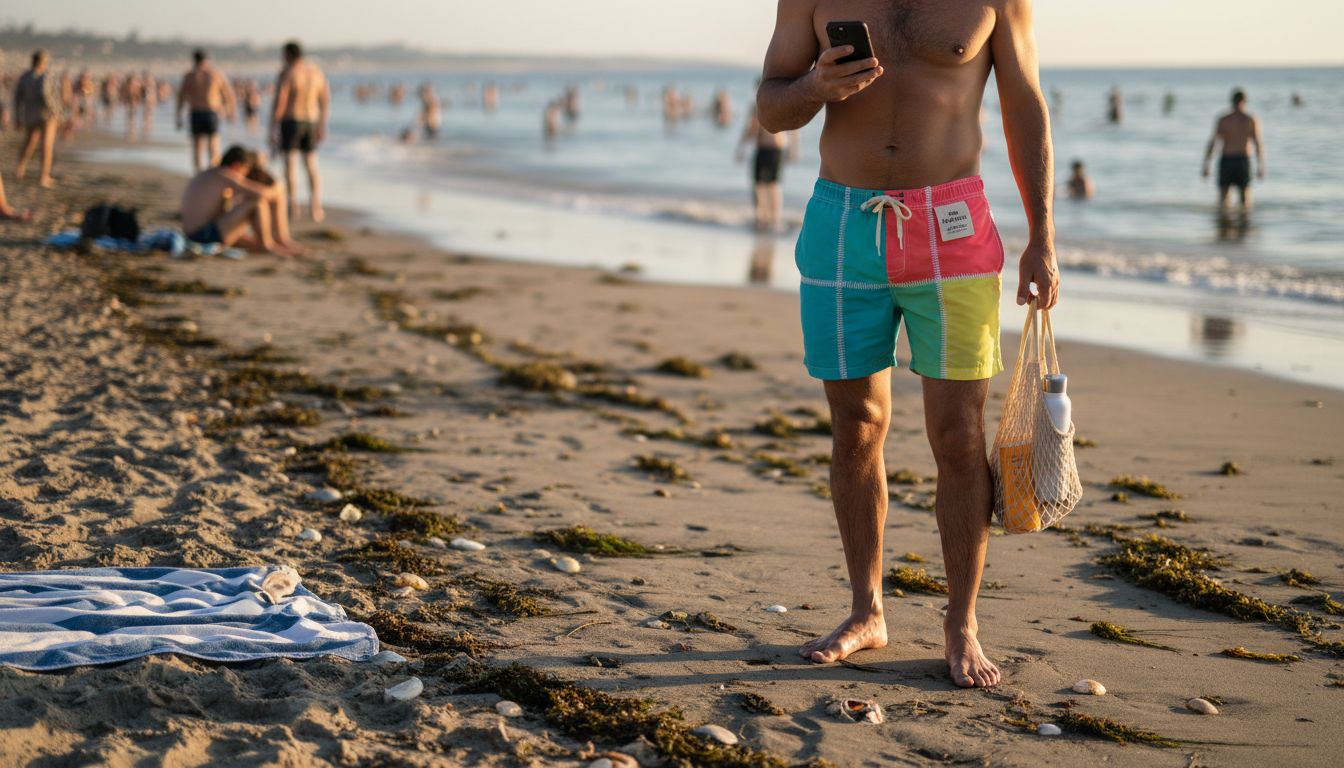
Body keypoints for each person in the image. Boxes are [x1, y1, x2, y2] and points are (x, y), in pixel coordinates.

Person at [757, 0, 1058, 689]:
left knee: (957, 435)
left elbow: (1025, 106)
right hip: (842, 223)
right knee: (856, 428)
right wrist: (813, 88)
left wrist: (1042, 235)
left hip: (952, 228)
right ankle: (867, 612)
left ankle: (961, 624)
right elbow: (772, 108)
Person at [181, 145, 305, 257]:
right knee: (257, 202)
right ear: (237, 165)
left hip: (197, 233)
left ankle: (277, 242)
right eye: (246, 169)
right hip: (204, 235)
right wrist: (278, 188)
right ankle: (270, 244)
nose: (245, 174)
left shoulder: (212, 174)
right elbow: (261, 194)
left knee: (254, 243)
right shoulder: (226, 174)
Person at [270, 41, 330, 222]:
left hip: (291, 121)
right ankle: (316, 206)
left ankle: (293, 205)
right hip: (311, 121)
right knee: (311, 165)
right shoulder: (316, 72)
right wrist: (322, 125)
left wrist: (272, 127)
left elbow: (280, 101)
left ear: (288, 55)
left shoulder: (287, 73)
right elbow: (325, 101)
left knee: (290, 165)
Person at [1202, 88, 1265, 213]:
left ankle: (1231, 225)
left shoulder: (1225, 119)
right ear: (1245, 101)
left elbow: (1213, 142)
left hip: (1232, 160)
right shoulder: (1249, 119)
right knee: (1233, 199)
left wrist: (1206, 164)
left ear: (1232, 101)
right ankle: (1238, 225)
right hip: (1237, 160)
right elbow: (1258, 144)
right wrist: (1261, 166)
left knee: (1237, 199)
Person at [735, 105, 797, 231]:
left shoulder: (781, 101)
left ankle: (774, 219)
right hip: (761, 148)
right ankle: (761, 218)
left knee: (773, 185)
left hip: (776, 149)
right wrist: (741, 146)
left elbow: (793, 127)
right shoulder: (756, 107)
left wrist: (793, 149)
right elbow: (750, 128)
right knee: (759, 185)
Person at [177, 49, 237, 172]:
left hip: (196, 113)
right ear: (206, 60)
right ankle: (213, 175)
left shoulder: (189, 76)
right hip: (211, 113)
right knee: (213, 147)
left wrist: (178, 116)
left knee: (198, 148)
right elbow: (229, 95)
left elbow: (181, 97)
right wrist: (229, 112)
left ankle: (198, 175)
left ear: (194, 60)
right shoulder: (214, 74)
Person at [14, 50, 60, 188]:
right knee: (46, 146)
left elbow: (17, 99)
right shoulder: (44, 76)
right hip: (46, 115)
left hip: (30, 115)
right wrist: (56, 111)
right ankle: (43, 177)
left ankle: (20, 169)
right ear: (42, 62)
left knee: (29, 142)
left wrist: (17, 117)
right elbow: (46, 94)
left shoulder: (24, 77)